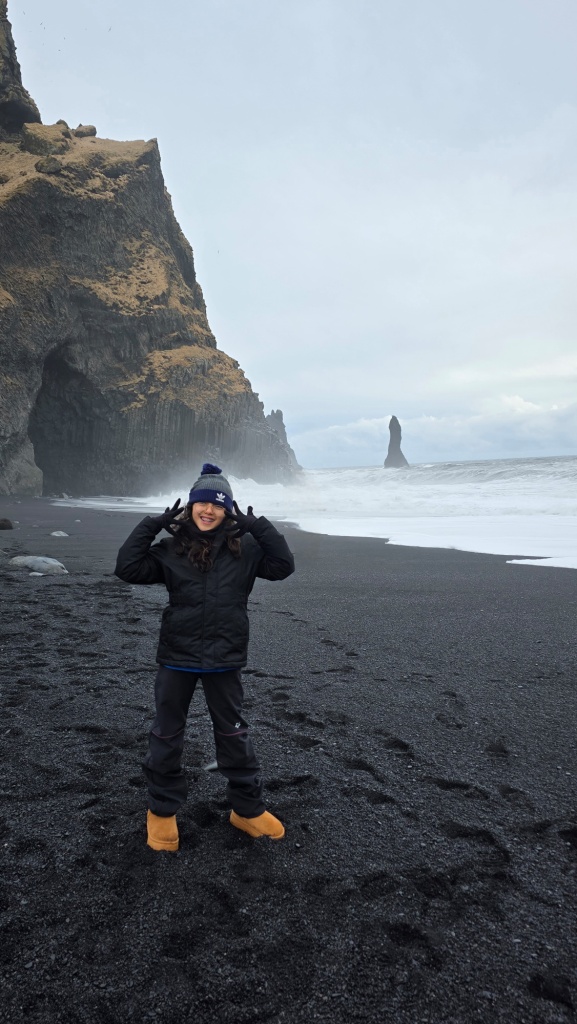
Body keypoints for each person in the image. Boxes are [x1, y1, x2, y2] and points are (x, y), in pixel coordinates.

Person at [114, 463, 295, 851]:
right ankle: (161, 812)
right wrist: (153, 524)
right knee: (167, 733)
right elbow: (127, 568)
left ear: (227, 509)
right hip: (176, 656)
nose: (208, 511)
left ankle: (245, 809)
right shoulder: (170, 549)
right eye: (201, 504)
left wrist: (257, 526)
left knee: (233, 733)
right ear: (191, 507)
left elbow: (283, 567)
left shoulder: (245, 549)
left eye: (217, 505)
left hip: (224, 659)